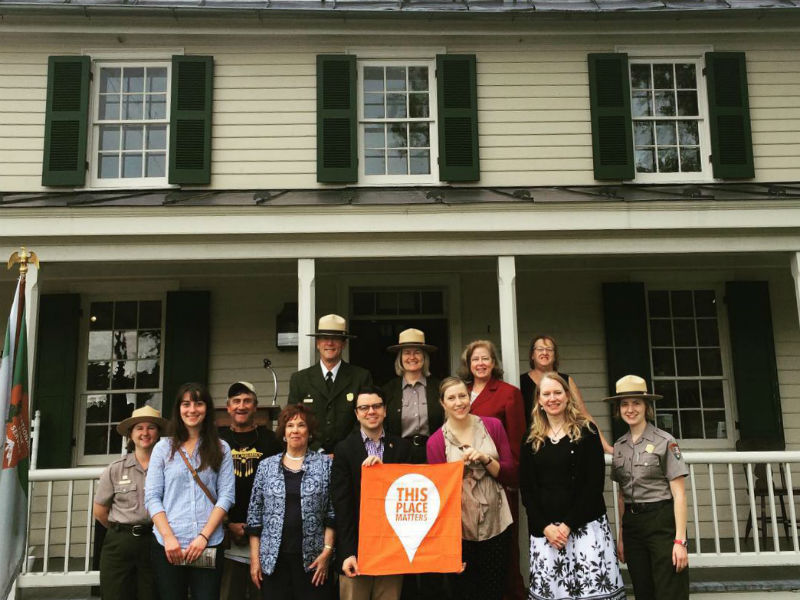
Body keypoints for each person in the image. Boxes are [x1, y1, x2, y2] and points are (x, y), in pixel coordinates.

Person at [519, 372, 625, 600]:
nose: (552, 398)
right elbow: (527, 489)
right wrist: (546, 527)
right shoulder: (530, 437)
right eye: (546, 394)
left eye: (558, 392)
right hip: (547, 535)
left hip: (585, 530)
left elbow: (593, 485)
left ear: (568, 396)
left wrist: (567, 525)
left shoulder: (587, 432)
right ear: (539, 400)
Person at [145, 383, 235, 600]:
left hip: (207, 544)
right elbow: (152, 497)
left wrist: (203, 537)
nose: (192, 410)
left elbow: (226, 496)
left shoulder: (222, 448)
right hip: (168, 545)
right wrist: (169, 538)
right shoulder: (163, 448)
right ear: (178, 409)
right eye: (186, 404)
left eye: (198, 403)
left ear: (207, 409)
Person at [427, 377, 514, 600]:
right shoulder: (436, 442)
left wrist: (486, 459)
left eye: (462, 396)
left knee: (494, 589)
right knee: (464, 591)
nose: (458, 402)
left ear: (469, 397)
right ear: (442, 403)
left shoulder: (492, 426)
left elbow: (510, 473)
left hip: (496, 521)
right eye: (452, 398)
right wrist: (457, 470)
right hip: (460, 527)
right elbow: (439, 494)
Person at [606, 374, 689, 600]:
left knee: (669, 590)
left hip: (662, 521)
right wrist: (622, 536)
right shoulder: (620, 446)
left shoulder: (665, 441)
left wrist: (680, 541)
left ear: (647, 407)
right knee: (643, 591)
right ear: (618, 409)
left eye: (636, 403)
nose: (630, 409)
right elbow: (622, 495)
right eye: (624, 404)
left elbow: (679, 495)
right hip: (633, 526)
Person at [458, 340, 525, 600]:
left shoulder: (508, 393)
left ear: (494, 363)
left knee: (505, 551)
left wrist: (512, 479)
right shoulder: (460, 392)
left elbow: (517, 441)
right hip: (466, 486)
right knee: (473, 551)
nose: (480, 364)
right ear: (469, 364)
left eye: (485, 358)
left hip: (499, 481)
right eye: (475, 359)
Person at [247, 404, 335, 600]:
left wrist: (327, 553)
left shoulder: (326, 464)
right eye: (290, 425)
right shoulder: (266, 467)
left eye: (301, 425)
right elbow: (254, 517)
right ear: (284, 432)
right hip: (273, 561)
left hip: (313, 561)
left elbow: (332, 513)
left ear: (309, 432)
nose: (295, 430)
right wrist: (255, 560)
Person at [332, 386, 412, 600]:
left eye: (376, 406)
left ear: (385, 410)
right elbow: (342, 506)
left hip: (392, 550)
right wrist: (348, 552)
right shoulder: (344, 450)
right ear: (357, 413)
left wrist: (384, 472)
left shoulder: (403, 448)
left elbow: (410, 496)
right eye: (364, 407)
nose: (371, 411)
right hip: (356, 552)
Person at [93, 405, 167, 600]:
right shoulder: (115, 469)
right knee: (115, 595)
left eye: (151, 427)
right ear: (130, 434)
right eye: (139, 428)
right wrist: (122, 530)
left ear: (158, 433)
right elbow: (100, 511)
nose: (145, 433)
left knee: (151, 594)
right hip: (119, 544)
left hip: (155, 541)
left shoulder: (169, 468)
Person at [218, 381, 282, 600]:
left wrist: (257, 527)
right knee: (229, 594)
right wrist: (228, 524)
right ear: (228, 407)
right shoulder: (217, 441)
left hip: (265, 536)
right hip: (226, 534)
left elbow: (279, 488)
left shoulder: (272, 441)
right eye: (236, 401)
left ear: (255, 406)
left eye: (247, 401)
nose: (241, 406)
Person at [288, 314, 373, 452]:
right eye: (324, 338)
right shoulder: (300, 379)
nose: (329, 343)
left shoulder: (361, 377)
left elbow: (365, 418)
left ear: (344, 343)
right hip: (310, 455)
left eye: (335, 339)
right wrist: (317, 449)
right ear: (317, 343)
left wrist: (343, 450)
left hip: (350, 455)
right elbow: (293, 420)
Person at [520, 334, 612, 453]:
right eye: (540, 349)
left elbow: (583, 414)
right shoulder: (520, 382)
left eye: (549, 349)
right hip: (535, 443)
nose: (544, 352)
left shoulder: (566, 380)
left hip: (565, 442)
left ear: (555, 355)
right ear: (532, 355)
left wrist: (606, 447)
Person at [382, 328, 443, 464]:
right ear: (400, 358)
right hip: (398, 455)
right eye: (407, 353)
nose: (412, 357)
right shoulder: (388, 390)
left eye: (417, 352)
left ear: (424, 357)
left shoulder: (439, 388)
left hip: (433, 453)